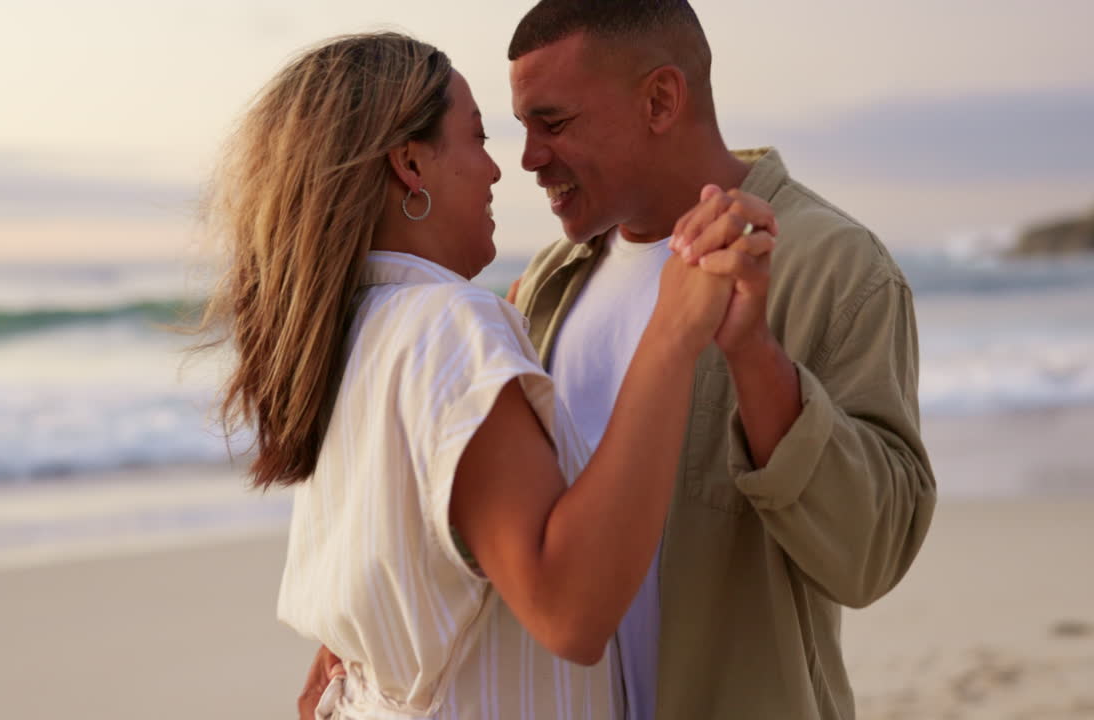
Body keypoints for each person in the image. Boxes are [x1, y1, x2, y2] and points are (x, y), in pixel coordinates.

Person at [301, 2, 938, 719]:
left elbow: (872, 557)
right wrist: (366, 633)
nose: (529, 159)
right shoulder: (542, 284)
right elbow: (483, 517)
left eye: (555, 123)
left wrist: (753, 355)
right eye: (520, 128)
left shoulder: (832, 267)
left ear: (661, 100)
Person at [196, 32, 777, 720]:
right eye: (475, 139)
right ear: (410, 164)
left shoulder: (351, 331)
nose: (501, 170)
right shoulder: (448, 325)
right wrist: (673, 334)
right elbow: (570, 611)